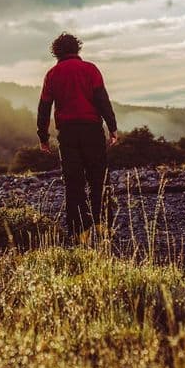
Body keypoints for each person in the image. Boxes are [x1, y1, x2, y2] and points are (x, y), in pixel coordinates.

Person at [37, 32, 118, 238]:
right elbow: (102, 100)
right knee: (98, 178)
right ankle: (103, 227)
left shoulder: (52, 75)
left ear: (56, 52)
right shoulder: (90, 70)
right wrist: (112, 127)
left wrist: (43, 137)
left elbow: (44, 108)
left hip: (68, 134)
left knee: (73, 183)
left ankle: (78, 232)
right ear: (77, 48)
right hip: (92, 130)